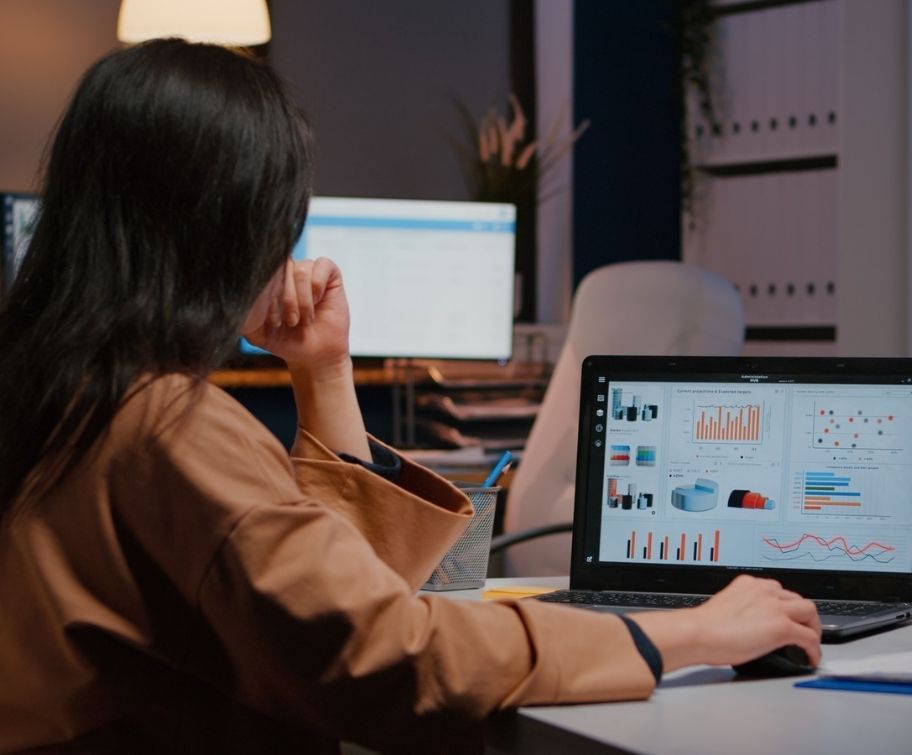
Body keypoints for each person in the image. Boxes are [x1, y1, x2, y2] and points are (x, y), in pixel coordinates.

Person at [0, 39, 820, 753]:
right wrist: (687, 631)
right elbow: (385, 652)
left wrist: (324, 373)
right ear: (232, 226)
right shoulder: (164, 426)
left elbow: (323, 591)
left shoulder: (65, 387)